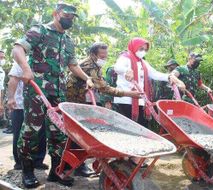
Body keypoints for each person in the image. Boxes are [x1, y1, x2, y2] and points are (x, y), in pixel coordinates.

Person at [11, 3, 94, 188]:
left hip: (59, 92)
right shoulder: (40, 30)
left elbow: (73, 65)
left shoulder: (69, 40)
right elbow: (18, 49)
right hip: (37, 90)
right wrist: (26, 69)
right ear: (56, 14)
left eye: (73, 17)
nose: (70, 19)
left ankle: (56, 172)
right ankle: (28, 171)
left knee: (59, 133)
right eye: (67, 15)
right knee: (31, 131)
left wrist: (88, 78)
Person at [66, 42, 141, 176]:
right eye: (102, 55)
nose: (104, 58)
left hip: (85, 100)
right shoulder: (88, 65)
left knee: (83, 133)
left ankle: (76, 164)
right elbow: (105, 88)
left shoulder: (96, 65)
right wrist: (130, 94)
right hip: (77, 101)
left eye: (106, 55)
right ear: (93, 54)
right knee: (79, 134)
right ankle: (77, 166)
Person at [114, 37, 185, 127]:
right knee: (129, 127)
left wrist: (169, 77)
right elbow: (117, 67)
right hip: (125, 100)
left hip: (140, 99)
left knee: (142, 126)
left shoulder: (143, 62)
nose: (143, 51)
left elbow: (154, 74)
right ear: (134, 47)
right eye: (141, 49)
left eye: (145, 50)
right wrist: (126, 70)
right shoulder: (125, 58)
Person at [7, 62, 48, 171]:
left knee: (41, 132)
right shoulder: (21, 61)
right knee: (20, 132)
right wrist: (11, 98)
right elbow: (13, 80)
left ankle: (38, 160)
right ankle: (19, 162)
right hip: (20, 105)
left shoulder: (45, 60)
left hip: (40, 105)